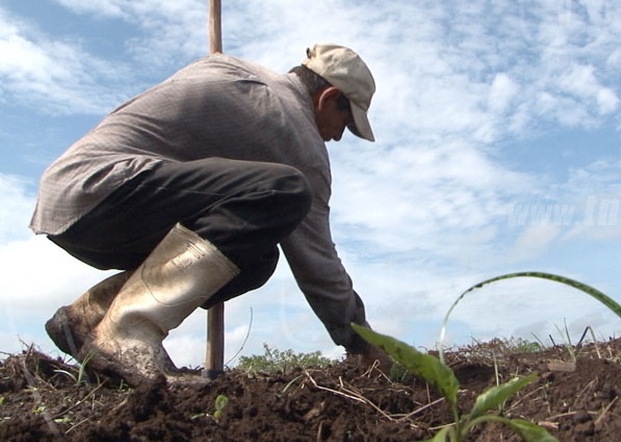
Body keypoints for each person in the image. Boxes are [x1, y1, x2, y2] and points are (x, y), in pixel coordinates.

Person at [30, 44, 384, 386]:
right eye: (346, 122)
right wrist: (360, 339)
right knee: (286, 190)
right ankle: (128, 333)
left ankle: (93, 315)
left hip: (75, 195)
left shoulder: (233, 68)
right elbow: (317, 262)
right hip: (105, 191)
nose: (338, 137)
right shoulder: (295, 131)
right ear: (328, 97)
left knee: (256, 256)